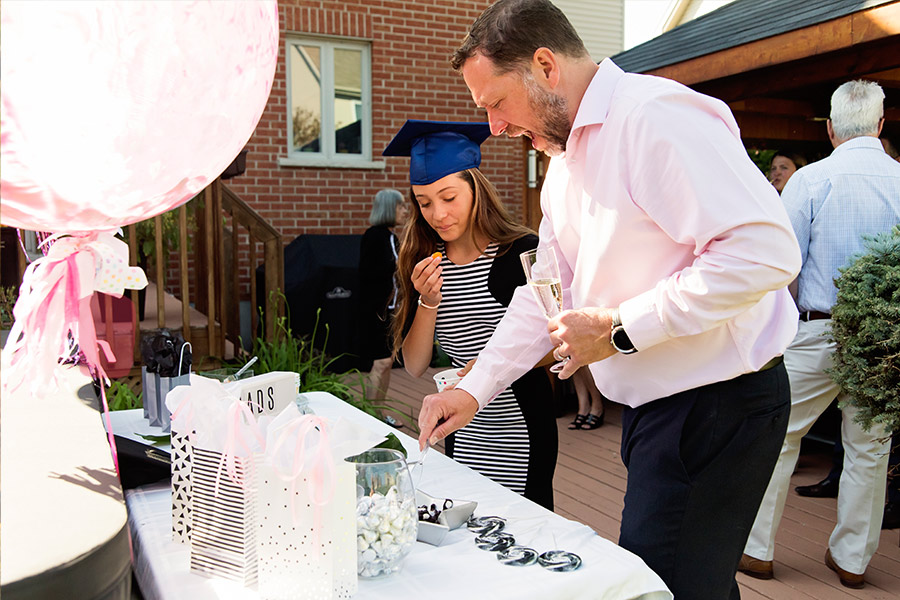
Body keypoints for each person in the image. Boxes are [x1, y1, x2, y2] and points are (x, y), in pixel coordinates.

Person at [416, 2, 801, 598]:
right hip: (659, 412)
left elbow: (763, 254)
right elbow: (543, 292)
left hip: (717, 405)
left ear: (545, 66)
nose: (494, 126)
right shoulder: (565, 165)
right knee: (691, 583)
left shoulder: (655, 118)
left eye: (495, 102)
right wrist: (474, 386)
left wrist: (621, 327)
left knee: (661, 588)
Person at [740, 80, 900, 589]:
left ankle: (757, 548)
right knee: (869, 451)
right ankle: (852, 560)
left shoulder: (810, 180)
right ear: (880, 125)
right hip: (883, 340)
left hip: (814, 329)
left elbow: (783, 266)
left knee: (779, 440)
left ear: (830, 129)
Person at [385, 119, 558, 509]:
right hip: (462, 428)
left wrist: (492, 365)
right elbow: (414, 366)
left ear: (475, 189)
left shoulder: (521, 251)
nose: (437, 214)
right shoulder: (426, 262)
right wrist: (428, 300)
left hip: (521, 423)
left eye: (449, 197)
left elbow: (557, 340)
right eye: (424, 202)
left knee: (524, 528)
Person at [358, 189, 407, 401]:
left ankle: (379, 412)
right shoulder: (380, 237)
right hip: (378, 311)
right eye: (401, 206)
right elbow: (394, 270)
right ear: (389, 208)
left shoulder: (383, 235)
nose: (405, 211)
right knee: (380, 363)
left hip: (384, 310)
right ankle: (371, 416)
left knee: (386, 363)